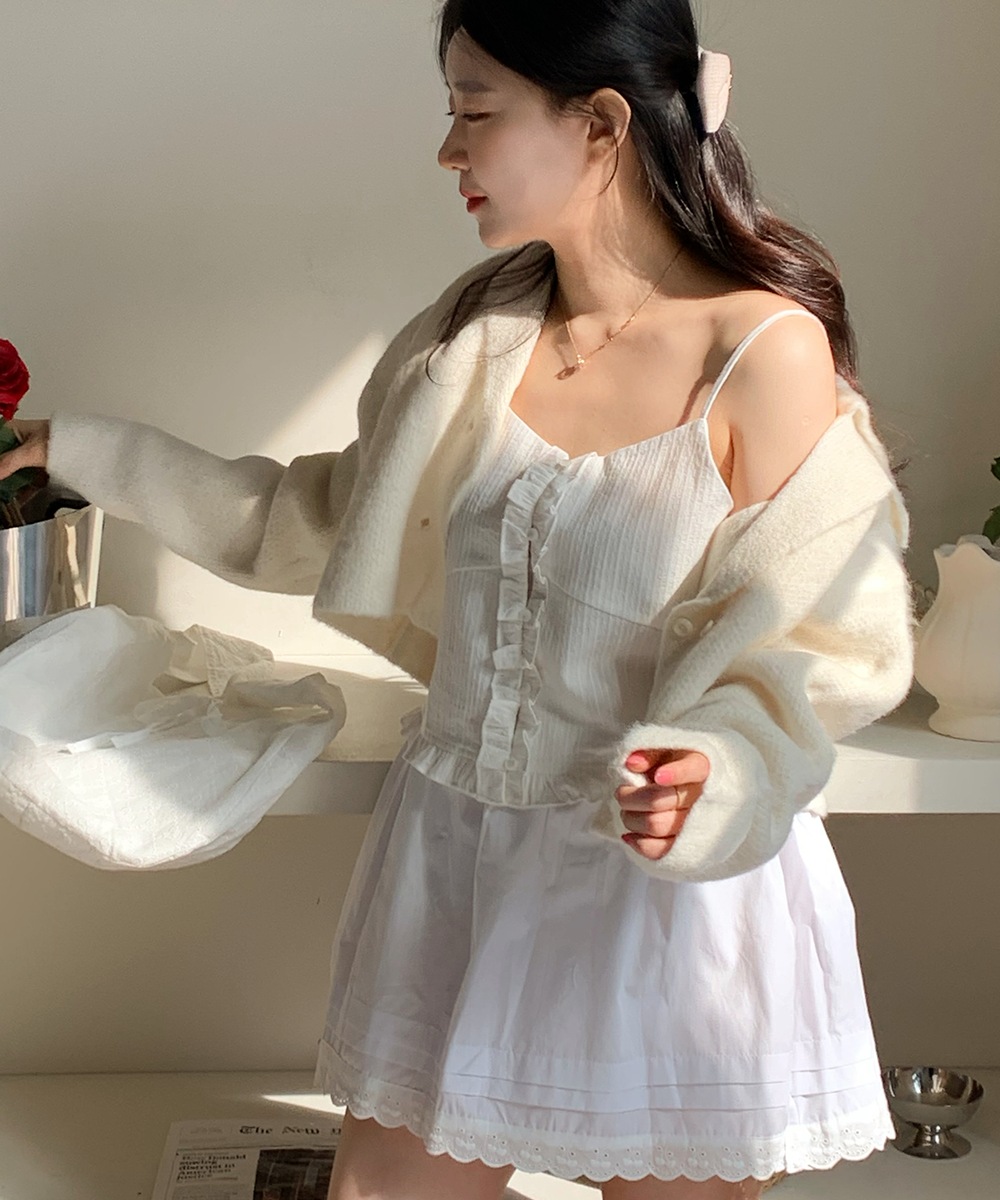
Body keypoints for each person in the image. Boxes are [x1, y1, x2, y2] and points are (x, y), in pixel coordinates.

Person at [0, 2, 916, 1197]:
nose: (448, 150)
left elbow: (813, 637)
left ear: (600, 124)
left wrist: (719, 771)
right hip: (453, 864)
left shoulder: (760, 351)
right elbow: (310, 523)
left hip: (663, 900)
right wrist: (82, 451)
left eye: (474, 113)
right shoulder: (471, 340)